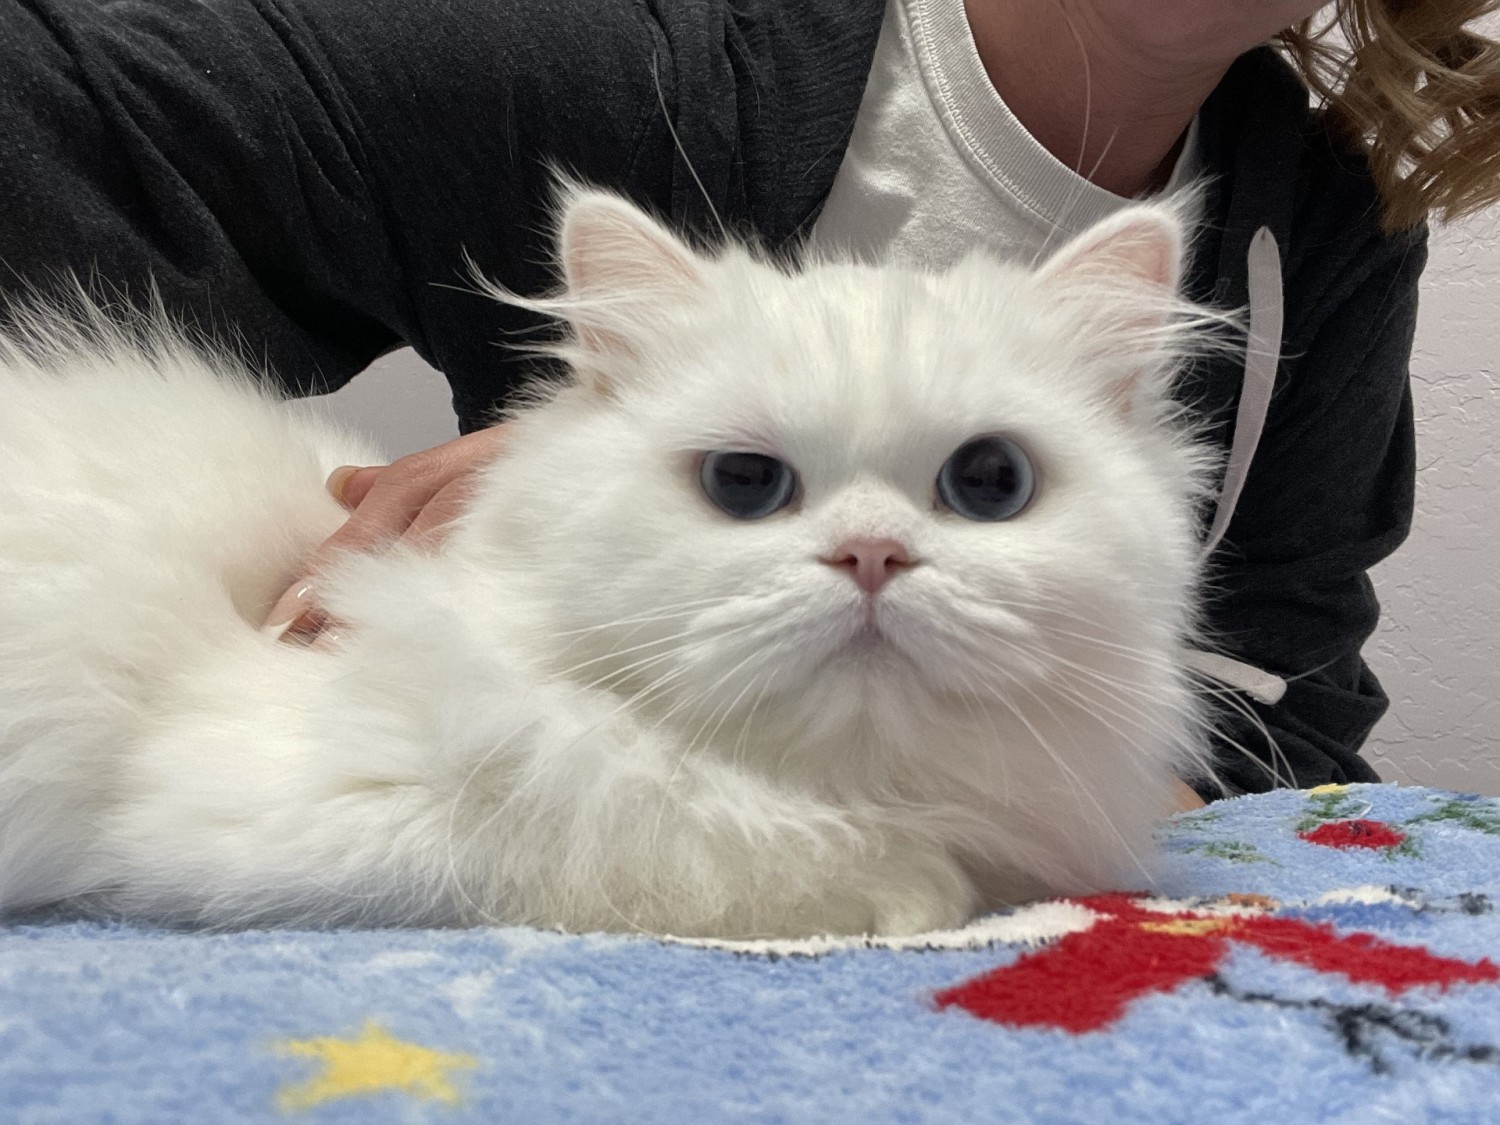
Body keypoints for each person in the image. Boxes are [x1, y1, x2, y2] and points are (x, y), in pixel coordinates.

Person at [2, 0, 1498, 800]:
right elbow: (55, 116)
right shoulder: (630, 60)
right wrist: (596, 477)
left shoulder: (1326, 226)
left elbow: (1284, 723)